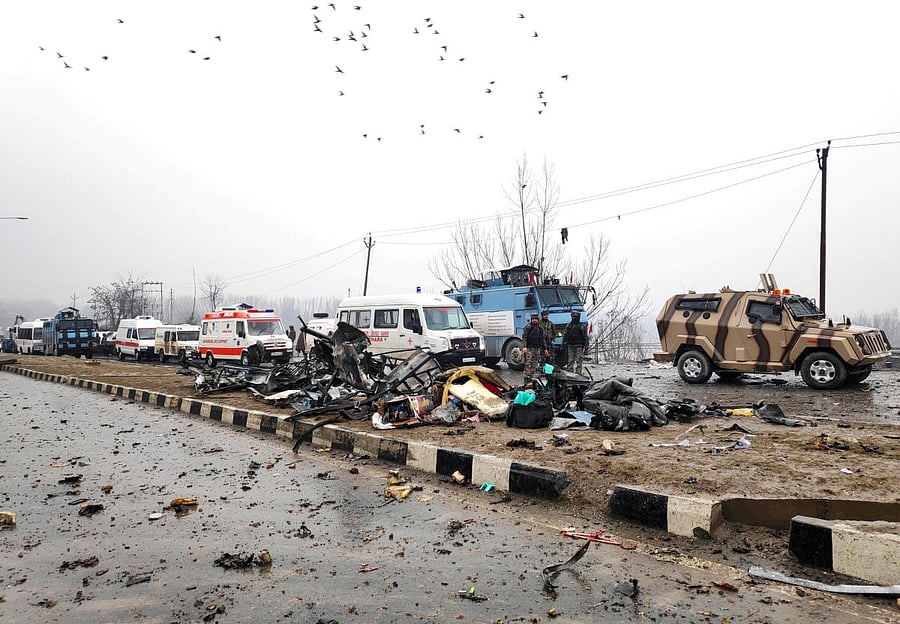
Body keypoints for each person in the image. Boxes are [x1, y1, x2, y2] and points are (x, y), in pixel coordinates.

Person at [521, 313, 549, 382]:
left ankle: (531, 378)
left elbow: (542, 339)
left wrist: (545, 349)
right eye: (533, 319)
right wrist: (524, 347)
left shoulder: (540, 328)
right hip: (529, 348)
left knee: (535, 363)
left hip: (537, 348)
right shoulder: (528, 327)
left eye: (535, 319)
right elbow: (524, 337)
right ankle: (526, 378)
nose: (534, 320)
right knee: (528, 363)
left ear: (538, 320)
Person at [562, 311, 588, 375]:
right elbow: (565, 335)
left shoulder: (581, 326)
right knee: (570, 360)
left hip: (579, 346)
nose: (574, 318)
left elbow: (585, 337)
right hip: (570, 345)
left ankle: (578, 373)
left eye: (575, 317)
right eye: (573, 317)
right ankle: (569, 373)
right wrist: (563, 343)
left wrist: (586, 347)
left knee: (579, 361)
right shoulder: (569, 326)